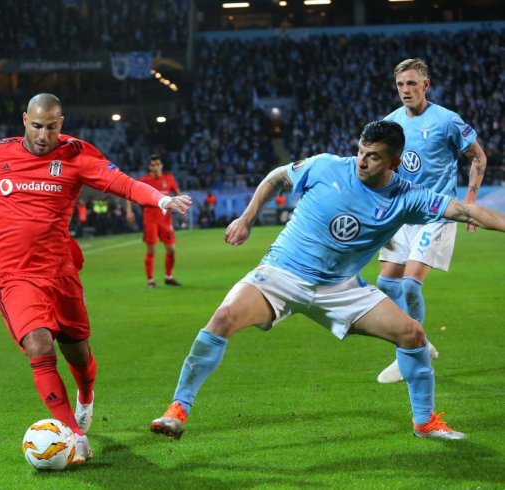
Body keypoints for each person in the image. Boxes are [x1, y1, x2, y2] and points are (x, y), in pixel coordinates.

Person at [150, 120, 505, 442]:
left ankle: (424, 423)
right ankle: (178, 408)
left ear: (394, 162)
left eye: (374, 157)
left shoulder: (407, 196)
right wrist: (246, 218)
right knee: (223, 319)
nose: (362, 161)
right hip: (282, 273)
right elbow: (276, 177)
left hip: (340, 289)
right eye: (361, 152)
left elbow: (465, 210)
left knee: (412, 334)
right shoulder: (327, 166)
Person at [0, 93, 192, 464]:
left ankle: (86, 394)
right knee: (38, 344)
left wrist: (161, 200)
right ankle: (73, 434)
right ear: (24, 120)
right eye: (36, 126)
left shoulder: (75, 155)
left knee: (78, 351)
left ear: (61, 124)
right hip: (14, 274)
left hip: (60, 272)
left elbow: (124, 184)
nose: (43, 134)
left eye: (51, 127)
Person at [376, 58, 487, 384]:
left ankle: (411, 352)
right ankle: (419, 341)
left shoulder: (447, 121)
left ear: (426, 85)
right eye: (400, 85)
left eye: (412, 84)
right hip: (403, 214)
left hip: (438, 212)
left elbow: (478, 156)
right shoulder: (391, 123)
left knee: (410, 284)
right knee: (385, 284)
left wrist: (469, 205)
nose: (406, 90)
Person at [126, 154, 183, 288]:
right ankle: (150, 280)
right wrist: (129, 211)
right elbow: (129, 192)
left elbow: (177, 192)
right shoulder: (144, 180)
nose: (156, 167)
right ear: (149, 167)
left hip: (165, 220)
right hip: (150, 220)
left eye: (158, 164)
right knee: (151, 251)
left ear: (161, 165)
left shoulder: (169, 178)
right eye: (153, 165)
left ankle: (168, 277)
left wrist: (181, 206)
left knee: (171, 250)